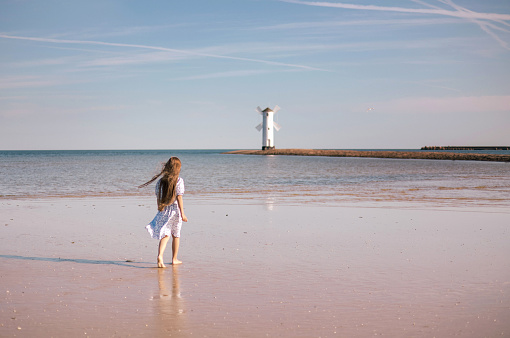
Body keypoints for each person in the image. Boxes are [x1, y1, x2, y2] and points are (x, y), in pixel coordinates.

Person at [139, 157, 188, 267]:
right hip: (176, 212)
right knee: (176, 235)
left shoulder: (161, 182)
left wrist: (159, 207)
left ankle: (160, 255)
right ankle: (174, 259)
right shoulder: (179, 181)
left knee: (165, 234)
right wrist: (183, 214)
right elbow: (179, 198)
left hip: (165, 210)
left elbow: (158, 196)